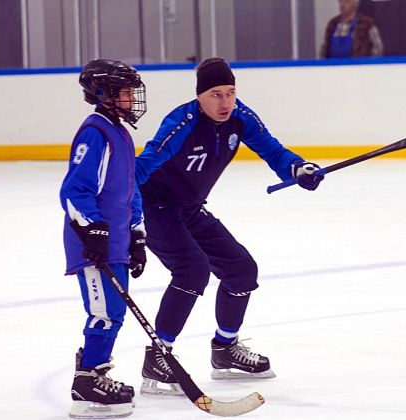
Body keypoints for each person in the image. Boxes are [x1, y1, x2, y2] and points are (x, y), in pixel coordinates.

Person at [135, 57, 325, 395]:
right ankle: (158, 356)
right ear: (200, 96)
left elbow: (272, 150)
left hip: (191, 208)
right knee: (192, 270)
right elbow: (143, 165)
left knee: (241, 269)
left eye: (230, 93)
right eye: (215, 94)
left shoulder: (241, 118)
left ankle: (225, 350)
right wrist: (119, 211)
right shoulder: (181, 123)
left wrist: (298, 168)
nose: (225, 103)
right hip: (157, 206)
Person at [59, 58, 148, 418]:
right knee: (104, 313)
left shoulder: (121, 133)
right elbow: (74, 190)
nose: (132, 98)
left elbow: (129, 190)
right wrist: (92, 229)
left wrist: (137, 234)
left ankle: (96, 369)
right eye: (125, 92)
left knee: (115, 312)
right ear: (103, 93)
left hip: (115, 244)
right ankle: (87, 382)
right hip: (92, 245)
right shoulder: (95, 132)